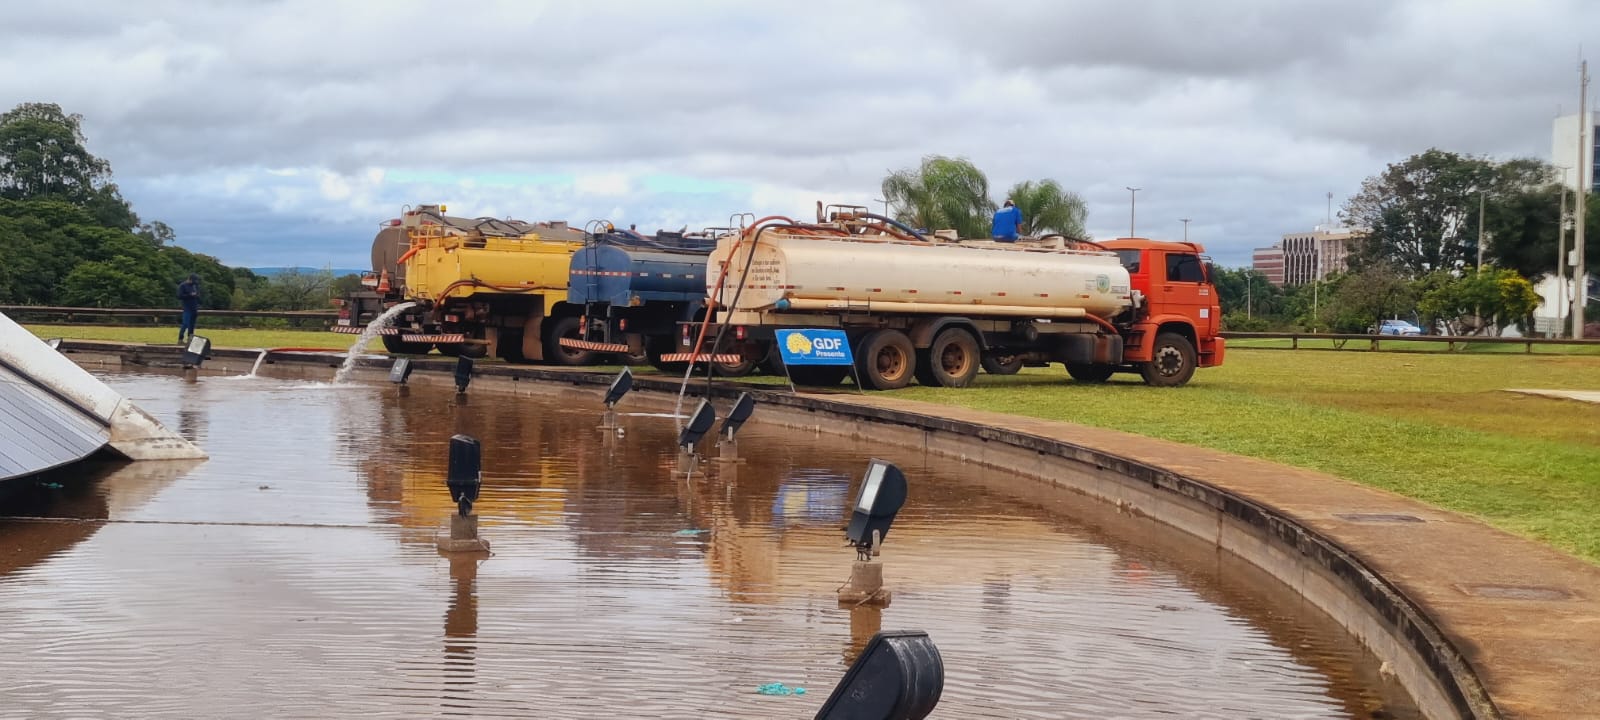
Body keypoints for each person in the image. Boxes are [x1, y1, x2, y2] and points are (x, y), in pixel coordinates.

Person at [177, 273, 201, 344]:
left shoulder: (195, 285)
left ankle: (190, 340)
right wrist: (190, 295)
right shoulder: (183, 285)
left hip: (194, 307)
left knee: (192, 325)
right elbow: (179, 296)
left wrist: (197, 295)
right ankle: (180, 339)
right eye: (193, 281)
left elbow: (198, 294)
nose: (194, 282)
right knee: (185, 324)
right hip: (187, 307)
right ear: (189, 279)